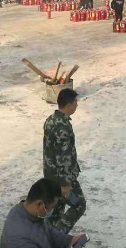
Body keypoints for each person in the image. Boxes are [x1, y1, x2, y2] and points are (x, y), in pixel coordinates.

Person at [43, 88, 86, 233]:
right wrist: (65, 184)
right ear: (68, 105)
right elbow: (63, 157)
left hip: (51, 175)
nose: (77, 105)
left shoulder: (51, 120)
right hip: (62, 178)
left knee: (56, 208)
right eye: (75, 103)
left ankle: (46, 236)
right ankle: (57, 238)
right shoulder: (63, 127)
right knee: (79, 205)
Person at [0, 177, 87, 248]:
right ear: (39, 204)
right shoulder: (21, 241)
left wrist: (70, 240)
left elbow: (48, 232)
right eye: (52, 207)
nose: (51, 210)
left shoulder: (23, 210)